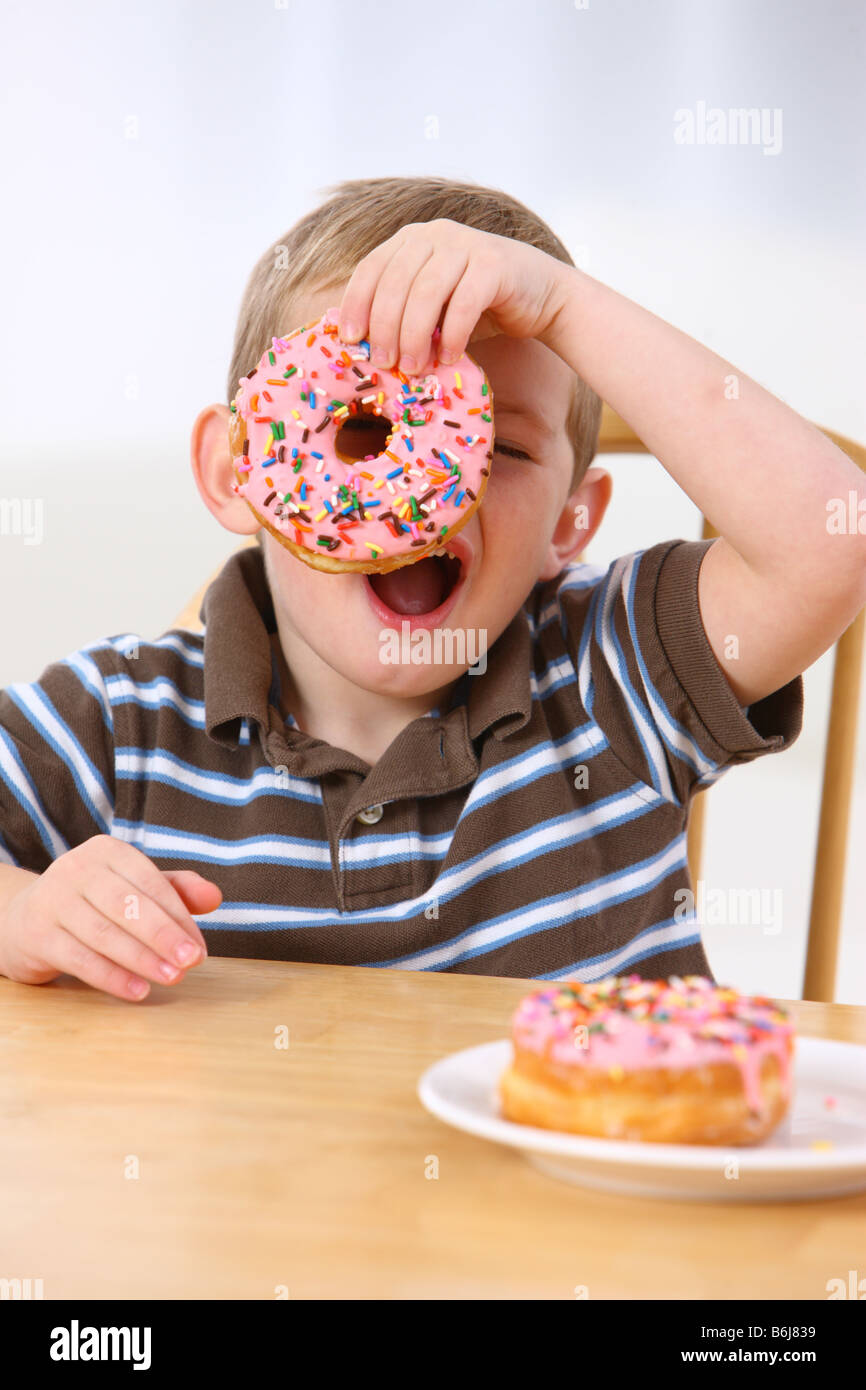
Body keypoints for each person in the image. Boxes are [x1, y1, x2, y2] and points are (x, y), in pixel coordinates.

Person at [1, 176, 863, 1000]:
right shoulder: (120, 721)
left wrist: (560, 303)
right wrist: (25, 914)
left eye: (505, 450)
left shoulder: (613, 676)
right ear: (239, 471)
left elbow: (829, 542)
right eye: (363, 428)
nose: (424, 490)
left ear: (571, 518)